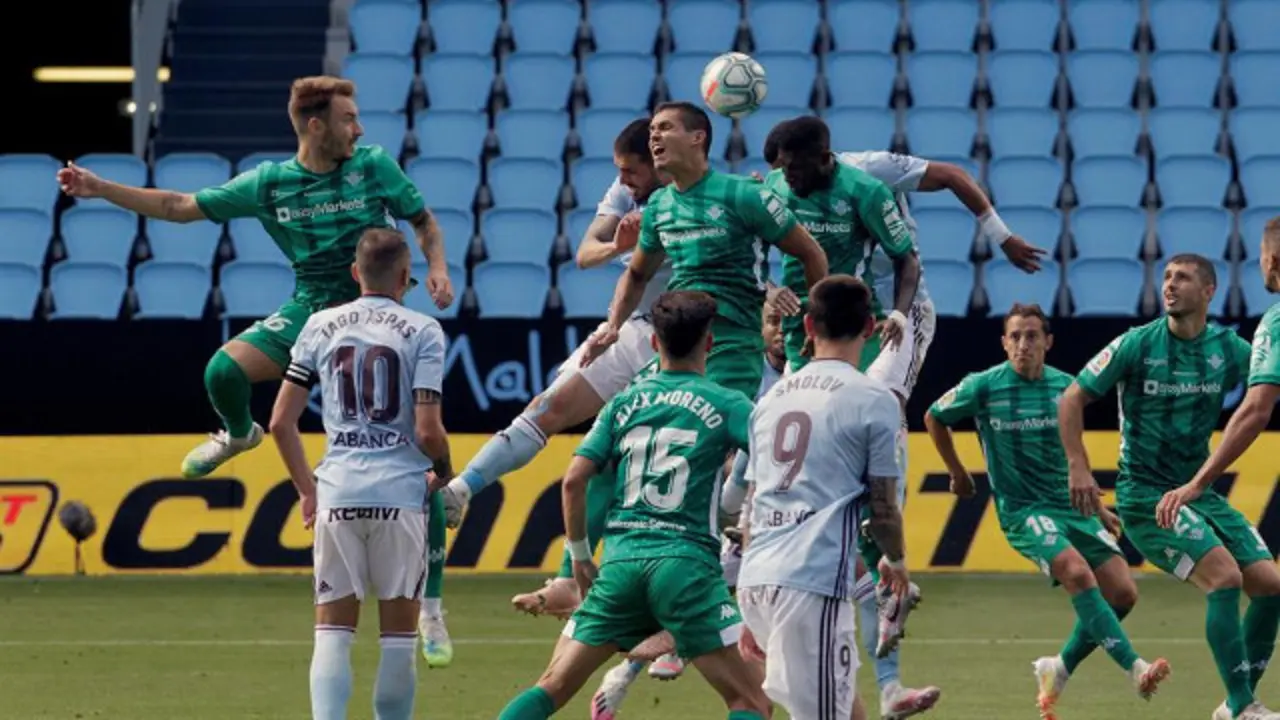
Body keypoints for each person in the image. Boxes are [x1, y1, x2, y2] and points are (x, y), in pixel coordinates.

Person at [57, 75, 453, 477]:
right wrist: (102, 188)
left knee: (411, 435)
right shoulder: (269, 184)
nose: (359, 129)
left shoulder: (373, 165)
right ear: (316, 126)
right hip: (312, 310)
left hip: (376, 312)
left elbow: (422, 221)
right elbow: (180, 206)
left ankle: (445, 496)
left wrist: (438, 266)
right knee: (222, 371)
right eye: (348, 119)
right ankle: (239, 434)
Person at [495, 290, 770, 720]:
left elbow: (573, 481)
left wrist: (581, 559)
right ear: (710, 343)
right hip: (685, 566)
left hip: (621, 564)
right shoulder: (728, 402)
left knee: (552, 687)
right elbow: (775, 458)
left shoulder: (622, 403)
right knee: (749, 700)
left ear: (655, 343)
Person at [1059, 254, 1280, 720]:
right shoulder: (1136, 345)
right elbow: (1072, 398)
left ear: (1209, 291)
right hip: (1145, 497)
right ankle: (1243, 705)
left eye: (1182, 278)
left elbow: (1264, 386)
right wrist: (1079, 468)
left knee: (1270, 586)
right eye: (1166, 277)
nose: (1170, 286)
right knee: (1225, 578)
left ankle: (1235, 702)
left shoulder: (1229, 347)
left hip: (1197, 492)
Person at [924, 303, 1171, 719]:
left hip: (1070, 506)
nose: (1024, 345)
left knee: (1123, 594)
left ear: (1048, 342)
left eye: (1032, 336)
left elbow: (1075, 454)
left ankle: (1058, 669)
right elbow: (934, 415)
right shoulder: (983, 386)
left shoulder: (1067, 388)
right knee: (1076, 572)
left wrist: (1097, 508)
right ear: (1004, 343)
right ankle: (1136, 668)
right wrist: (958, 472)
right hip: (1024, 511)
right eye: (1015, 336)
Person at [267, 228, 453, 720]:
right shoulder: (424, 331)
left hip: (339, 491)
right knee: (397, 640)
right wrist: (446, 475)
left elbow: (279, 422)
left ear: (355, 273)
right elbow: (428, 430)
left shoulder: (319, 326)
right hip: (400, 494)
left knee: (332, 634)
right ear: (405, 276)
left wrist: (307, 490)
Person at [589, 298, 790, 719]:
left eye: (789, 325)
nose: (781, 332)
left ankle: (640, 662)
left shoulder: (799, 380)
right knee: (756, 671)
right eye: (772, 321)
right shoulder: (744, 376)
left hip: (747, 514)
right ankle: (660, 650)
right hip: (711, 512)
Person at [736, 274, 910, 720]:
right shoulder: (874, 399)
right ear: (870, 328)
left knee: (847, 712)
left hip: (757, 578)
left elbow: (751, 506)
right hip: (810, 584)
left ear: (809, 327)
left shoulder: (769, 401)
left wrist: (754, 601)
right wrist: (897, 562)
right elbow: (884, 507)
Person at [1155, 221, 1280, 720]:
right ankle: (1238, 706)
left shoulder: (1274, 322)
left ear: (1272, 262)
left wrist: (1198, 482)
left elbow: (1254, 410)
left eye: (1260, 257)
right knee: (1268, 586)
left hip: (1184, 484)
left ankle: (1237, 706)